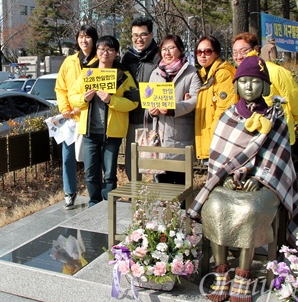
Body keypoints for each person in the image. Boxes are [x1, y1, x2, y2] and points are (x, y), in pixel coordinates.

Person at [188, 56, 298, 302]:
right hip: (229, 181)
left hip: (264, 183)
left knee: (249, 210)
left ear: (265, 86)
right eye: (244, 82)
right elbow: (220, 155)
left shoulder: (276, 115)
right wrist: (226, 177)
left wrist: (260, 179)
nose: (249, 87)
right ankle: (221, 270)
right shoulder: (229, 114)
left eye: (255, 82)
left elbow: (279, 156)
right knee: (214, 206)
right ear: (237, 85)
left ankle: (243, 274)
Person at [69, 36, 138, 207]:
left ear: (116, 53)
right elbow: (73, 97)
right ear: (97, 51)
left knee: (109, 173)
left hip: (112, 132)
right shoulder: (88, 73)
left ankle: (109, 205)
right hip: (90, 131)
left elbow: (133, 102)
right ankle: (94, 203)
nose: (104, 53)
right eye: (101, 49)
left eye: (109, 50)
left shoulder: (123, 75)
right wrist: (83, 99)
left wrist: (111, 100)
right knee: (91, 172)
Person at [233, 32, 298, 144]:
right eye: (235, 52)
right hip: (247, 138)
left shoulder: (275, 71)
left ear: (256, 49)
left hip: (277, 136)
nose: (239, 56)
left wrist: (287, 121)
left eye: (244, 51)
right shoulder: (236, 74)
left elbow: (297, 104)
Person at [147, 34, 202, 184]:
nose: (167, 52)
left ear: (181, 50)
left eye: (171, 48)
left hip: (180, 134)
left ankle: (183, 208)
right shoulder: (155, 73)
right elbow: (149, 99)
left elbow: (196, 99)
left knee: (181, 181)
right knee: (161, 182)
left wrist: (174, 109)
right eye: (164, 49)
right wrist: (152, 111)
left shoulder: (190, 72)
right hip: (160, 134)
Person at [54, 25, 98, 209]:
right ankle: (69, 192)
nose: (84, 40)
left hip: (91, 118)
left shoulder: (99, 61)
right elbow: (60, 87)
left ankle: (95, 195)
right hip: (71, 119)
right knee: (67, 157)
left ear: (94, 40)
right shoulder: (69, 62)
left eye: (88, 37)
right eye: (81, 36)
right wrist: (65, 108)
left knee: (92, 161)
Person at [120, 16, 160, 181]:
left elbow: (167, 89)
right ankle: (136, 197)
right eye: (135, 35)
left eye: (143, 34)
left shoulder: (160, 56)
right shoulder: (127, 57)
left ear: (151, 34)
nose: (139, 39)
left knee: (157, 162)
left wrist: (143, 95)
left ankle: (158, 199)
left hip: (155, 117)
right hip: (132, 117)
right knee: (132, 161)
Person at [194, 35, 237, 161]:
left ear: (216, 53)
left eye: (207, 51)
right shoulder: (203, 74)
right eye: (199, 51)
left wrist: (212, 138)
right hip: (209, 139)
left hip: (218, 143)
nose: (202, 55)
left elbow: (224, 111)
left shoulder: (223, 74)